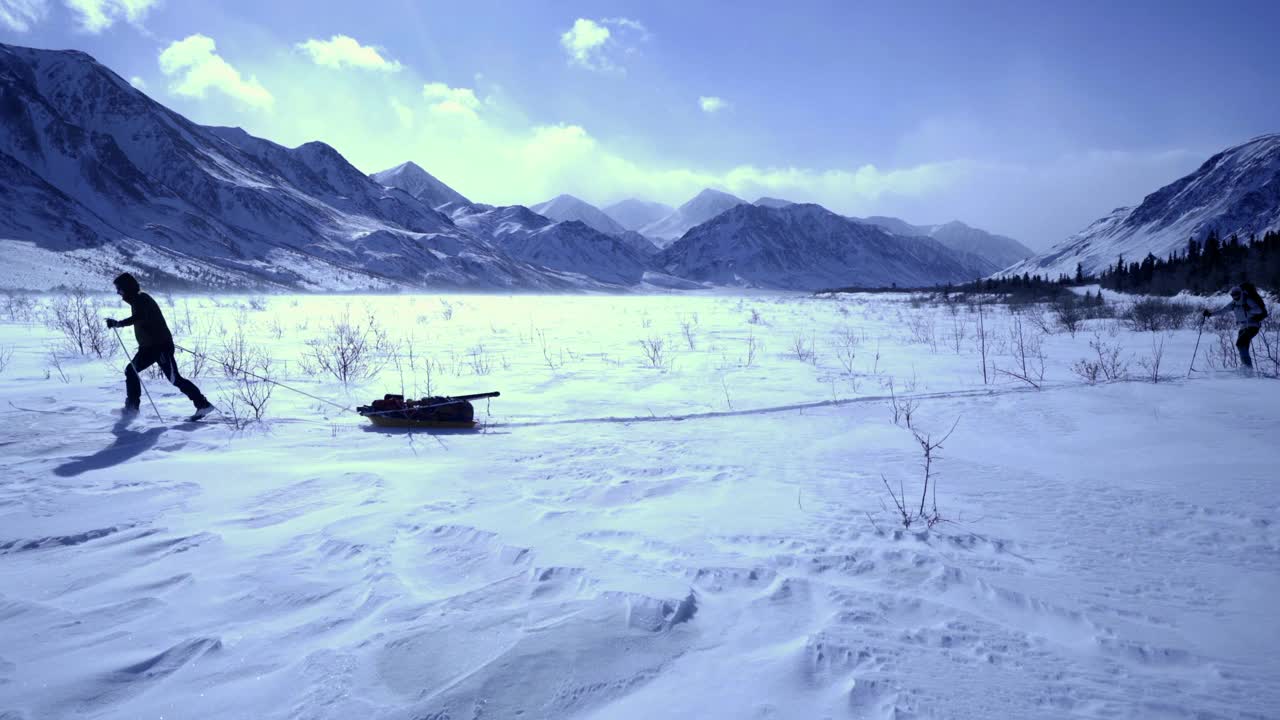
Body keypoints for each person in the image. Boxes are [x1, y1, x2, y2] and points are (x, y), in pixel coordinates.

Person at [105, 273, 215, 420]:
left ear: (127, 288)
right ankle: (131, 408)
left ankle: (203, 405)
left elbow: (140, 317)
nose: (118, 292)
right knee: (131, 371)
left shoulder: (141, 299)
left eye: (119, 289)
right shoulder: (138, 300)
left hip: (159, 347)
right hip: (149, 348)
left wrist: (119, 323)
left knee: (175, 379)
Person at [1203, 285, 1267, 372]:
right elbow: (1223, 311)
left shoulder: (1247, 300)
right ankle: (1246, 367)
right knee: (1243, 346)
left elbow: (1259, 310)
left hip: (1252, 325)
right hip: (1243, 326)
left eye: (1236, 294)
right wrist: (1210, 314)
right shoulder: (1233, 303)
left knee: (1240, 343)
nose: (1234, 297)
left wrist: (1249, 309)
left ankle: (1247, 368)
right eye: (1232, 295)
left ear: (1240, 293)